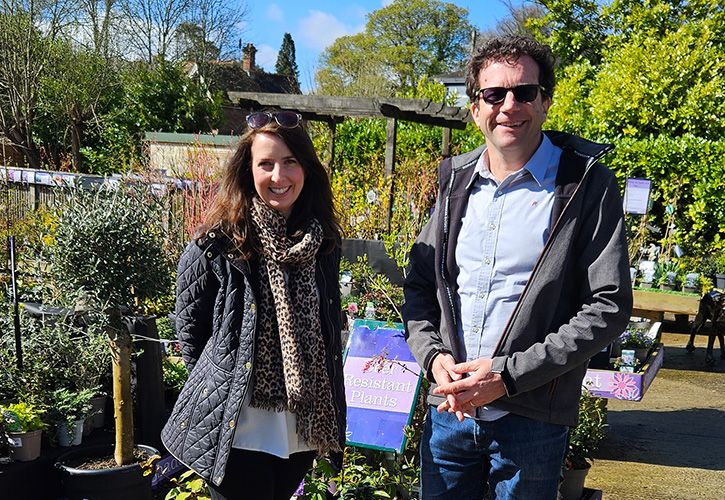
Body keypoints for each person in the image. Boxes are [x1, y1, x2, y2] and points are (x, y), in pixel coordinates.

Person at [403, 36, 633, 499]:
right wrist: (433, 357)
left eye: (524, 92)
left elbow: (608, 306)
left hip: (531, 418)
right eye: (494, 94)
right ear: (475, 109)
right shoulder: (454, 183)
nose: (509, 106)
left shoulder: (584, 185)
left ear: (544, 102)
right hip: (450, 412)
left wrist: (507, 376)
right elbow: (420, 285)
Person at [161, 110, 346, 500]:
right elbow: (191, 331)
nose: (278, 177)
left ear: (306, 169)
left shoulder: (323, 243)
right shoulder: (217, 244)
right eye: (266, 164)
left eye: (290, 162)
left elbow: (329, 328)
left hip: (299, 430)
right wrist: (224, 391)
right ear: (248, 170)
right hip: (236, 431)